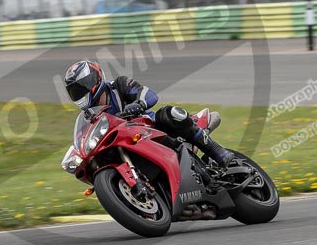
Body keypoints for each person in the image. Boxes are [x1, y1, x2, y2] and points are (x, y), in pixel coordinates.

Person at [62, 60, 234, 166]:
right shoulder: (89, 117)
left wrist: (138, 104)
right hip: (126, 145)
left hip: (153, 130)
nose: (80, 94)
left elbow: (148, 94)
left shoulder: (119, 85)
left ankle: (216, 151)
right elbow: (82, 139)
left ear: (95, 79)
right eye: (75, 92)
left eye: (82, 88)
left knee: (167, 113)